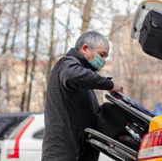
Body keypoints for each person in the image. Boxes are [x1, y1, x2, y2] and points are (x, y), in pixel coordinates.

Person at [41, 31, 124, 161]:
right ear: (85, 49)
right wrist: (109, 84)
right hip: (61, 154)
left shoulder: (85, 85)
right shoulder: (67, 64)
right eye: (101, 55)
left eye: (106, 57)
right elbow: (72, 75)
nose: (103, 61)